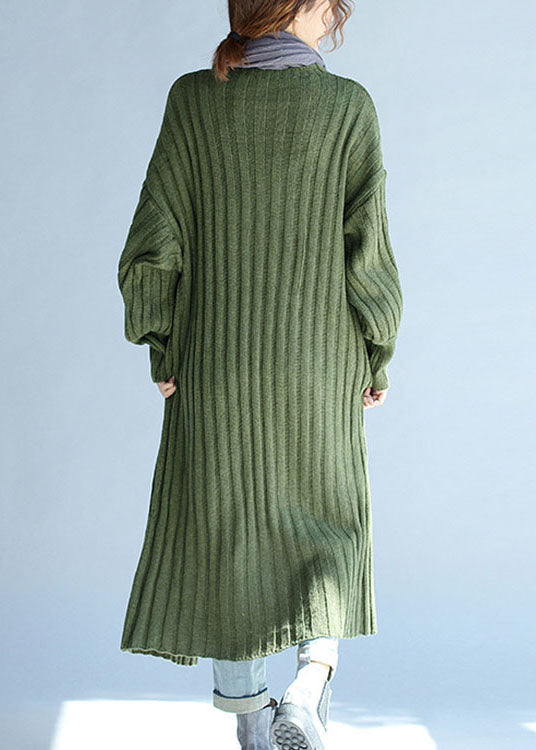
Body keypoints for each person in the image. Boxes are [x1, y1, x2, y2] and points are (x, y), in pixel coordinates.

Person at [117, 1, 403, 748]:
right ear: (295, 6)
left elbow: (154, 242)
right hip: (321, 364)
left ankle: (250, 725)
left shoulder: (193, 99)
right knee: (329, 527)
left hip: (213, 365)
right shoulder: (347, 106)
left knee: (227, 536)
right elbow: (368, 254)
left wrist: (162, 345)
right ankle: (309, 688)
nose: (335, 11)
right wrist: (377, 351)